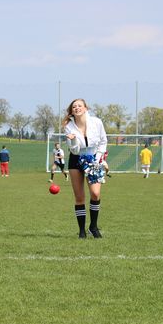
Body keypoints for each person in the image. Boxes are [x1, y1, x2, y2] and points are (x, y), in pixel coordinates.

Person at [64, 98, 107, 238]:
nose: (77, 108)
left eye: (79, 106)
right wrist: (73, 140)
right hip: (76, 159)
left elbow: (103, 141)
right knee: (79, 197)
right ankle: (82, 231)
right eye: (74, 107)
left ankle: (93, 227)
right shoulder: (69, 127)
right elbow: (75, 150)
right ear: (71, 111)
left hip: (94, 158)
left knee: (95, 193)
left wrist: (98, 158)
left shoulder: (97, 122)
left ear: (85, 108)